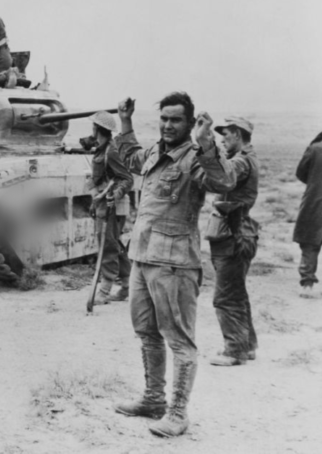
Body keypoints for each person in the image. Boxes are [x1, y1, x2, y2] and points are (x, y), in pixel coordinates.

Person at [112, 93, 236, 438]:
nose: (168, 125)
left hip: (174, 263)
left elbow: (224, 182)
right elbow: (131, 157)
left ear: (189, 122)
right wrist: (125, 121)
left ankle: (178, 412)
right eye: (164, 119)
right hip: (142, 256)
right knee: (147, 334)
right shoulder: (156, 152)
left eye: (176, 120)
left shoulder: (196, 158)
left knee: (179, 340)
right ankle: (153, 399)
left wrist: (207, 143)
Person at [207, 117, 260, 366]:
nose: (223, 138)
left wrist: (207, 150)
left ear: (238, 134)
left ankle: (235, 350)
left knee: (226, 297)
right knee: (237, 292)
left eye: (226, 134)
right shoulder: (248, 158)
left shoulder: (240, 161)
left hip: (233, 234)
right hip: (240, 231)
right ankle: (246, 345)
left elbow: (224, 175)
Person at [88, 111, 134, 305]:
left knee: (108, 245)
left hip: (113, 206)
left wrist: (114, 196)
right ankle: (127, 285)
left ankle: (105, 289)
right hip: (103, 203)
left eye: (93, 126)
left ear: (98, 128)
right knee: (116, 245)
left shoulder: (111, 151)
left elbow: (126, 179)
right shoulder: (101, 149)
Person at [293, 123, 322, 294]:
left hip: (315, 202)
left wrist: (316, 183)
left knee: (309, 244)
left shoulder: (315, 148)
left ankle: (307, 285)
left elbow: (300, 173)